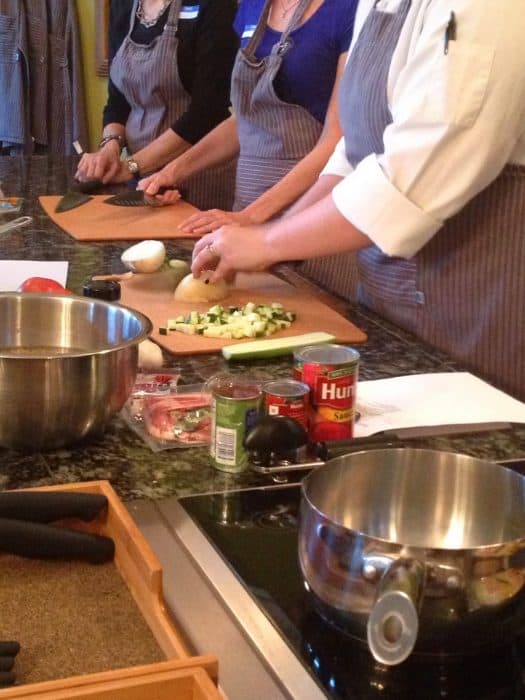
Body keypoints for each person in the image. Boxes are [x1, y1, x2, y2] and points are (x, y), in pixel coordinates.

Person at [191, 0, 525, 402]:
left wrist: (267, 242)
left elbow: (415, 174)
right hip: (388, 300)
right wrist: (275, 235)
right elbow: (356, 149)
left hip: (472, 306)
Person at [139, 0, 358, 235]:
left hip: (313, 215)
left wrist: (252, 216)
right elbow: (244, 122)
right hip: (247, 207)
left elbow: (336, 140)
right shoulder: (252, 7)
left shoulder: (350, 10)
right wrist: (170, 174)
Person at [75, 0, 239, 209]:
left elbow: (206, 113)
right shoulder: (123, 5)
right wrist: (110, 149)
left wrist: (131, 166)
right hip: (140, 179)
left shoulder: (215, 5)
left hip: (198, 176)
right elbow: (118, 101)